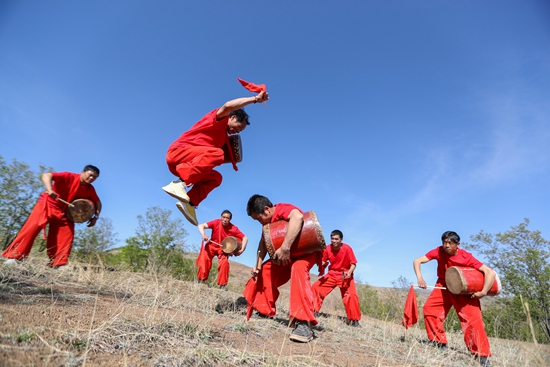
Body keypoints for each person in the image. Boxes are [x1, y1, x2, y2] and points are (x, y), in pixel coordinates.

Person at [162, 90, 269, 226]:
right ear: (232, 117)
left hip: (183, 166)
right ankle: (178, 184)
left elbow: (207, 161)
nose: (238, 131)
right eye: (239, 127)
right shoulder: (218, 119)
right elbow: (228, 106)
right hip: (178, 153)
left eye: (241, 130)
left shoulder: (222, 139)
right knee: (218, 153)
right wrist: (254, 99)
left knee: (216, 178)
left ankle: (189, 203)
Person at [243, 194, 321, 343]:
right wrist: (257, 265)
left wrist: (285, 247)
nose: (259, 222)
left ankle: (304, 323)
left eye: (259, 218)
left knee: (298, 269)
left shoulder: (282, 209)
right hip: (288, 254)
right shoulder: (267, 225)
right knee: (265, 270)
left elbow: (297, 217)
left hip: (305, 252)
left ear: (267, 210)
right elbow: (263, 243)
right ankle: (264, 312)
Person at [413, 231, 495, 367]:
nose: (446, 245)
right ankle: (438, 342)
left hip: (462, 290)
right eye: (444, 242)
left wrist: (483, 292)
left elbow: (489, 273)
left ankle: (482, 356)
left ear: (458, 245)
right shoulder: (438, 251)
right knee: (430, 310)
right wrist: (420, 278)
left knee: (473, 322)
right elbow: (417, 261)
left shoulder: (466, 257)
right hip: (444, 285)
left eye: (450, 243)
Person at [2, 165, 102, 268]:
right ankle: (14, 257)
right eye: (90, 175)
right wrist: (50, 189)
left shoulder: (90, 189)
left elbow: (98, 202)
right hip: (47, 204)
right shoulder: (68, 176)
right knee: (31, 229)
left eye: (94, 177)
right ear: (83, 172)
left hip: (65, 212)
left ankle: (58, 264)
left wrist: (95, 217)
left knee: (67, 235)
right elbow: (47, 175)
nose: (91, 178)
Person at [312, 229, 362, 327]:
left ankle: (354, 320)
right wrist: (322, 263)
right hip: (332, 274)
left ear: (341, 240)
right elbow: (324, 261)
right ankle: (312, 311)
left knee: (351, 295)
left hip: (345, 276)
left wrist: (349, 272)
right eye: (332, 239)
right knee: (315, 288)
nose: (334, 241)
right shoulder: (327, 248)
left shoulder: (347, 248)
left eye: (336, 239)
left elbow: (353, 264)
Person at [196, 209, 248, 290]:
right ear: (221, 217)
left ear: (230, 219)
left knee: (225, 263)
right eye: (223, 217)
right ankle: (201, 280)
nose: (225, 219)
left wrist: (242, 250)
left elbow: (245, 238)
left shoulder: (233, 228)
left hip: (223, 249)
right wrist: (204, 234)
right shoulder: (216, 222)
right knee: (205, 259)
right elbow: (200, 226)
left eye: (227, 218)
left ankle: (222, 285)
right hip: (211, 246)